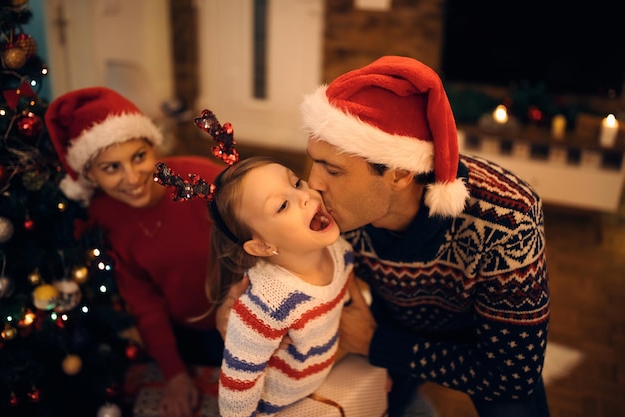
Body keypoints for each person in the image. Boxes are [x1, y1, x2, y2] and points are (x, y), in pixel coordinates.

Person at [298, 55, 551, 417]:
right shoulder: (333, 206)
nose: (313, 184)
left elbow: (512, 376)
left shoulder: (509, 219)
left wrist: (379, 344)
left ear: (399, 175)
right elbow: (279, 254)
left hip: (479, 337)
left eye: (333, 171)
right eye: (314, 161)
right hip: (392, 319)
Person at [45, 87, 225, 417]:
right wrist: (174, 374)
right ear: (90, 174)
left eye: (139, 156)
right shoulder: (102, 218)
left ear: (152, 147)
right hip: (183, 331)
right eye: (111, 168)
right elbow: (144, 303)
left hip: (252, 321)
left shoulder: (206, 179)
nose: (132, 178)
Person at [155, 153, 353, 417]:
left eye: (296, 183)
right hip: (276, 406)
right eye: (282, 206)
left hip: (322, 383)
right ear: (262, 246)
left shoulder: (342, 251)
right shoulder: (265, 306)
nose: (305, 195)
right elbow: (237, 390)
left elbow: (342, 306)